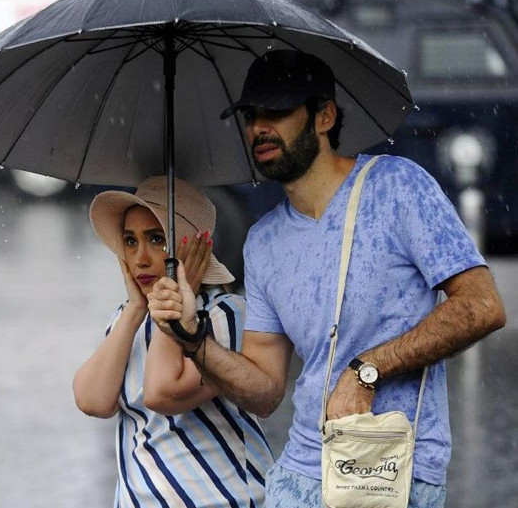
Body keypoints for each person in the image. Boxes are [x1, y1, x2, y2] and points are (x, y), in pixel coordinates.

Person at [147, 50, 506, 508]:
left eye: (276, 112)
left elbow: (482, 305)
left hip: (388, 471)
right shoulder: (264, 240)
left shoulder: (397, 187)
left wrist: (368, 369)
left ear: (324, 116)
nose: (259, 127)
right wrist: (195, 339)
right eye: (251, 116)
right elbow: (263, 390)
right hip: (298, 477)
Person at [73, 176, 273, 508]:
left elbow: (163, 392)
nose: (140, 259)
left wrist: (178, 302)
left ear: (190, 244)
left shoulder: (228, 314)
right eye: (130, 241)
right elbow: (92, 400)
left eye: (157, 239)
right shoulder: (129, 317)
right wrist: (137, 308)